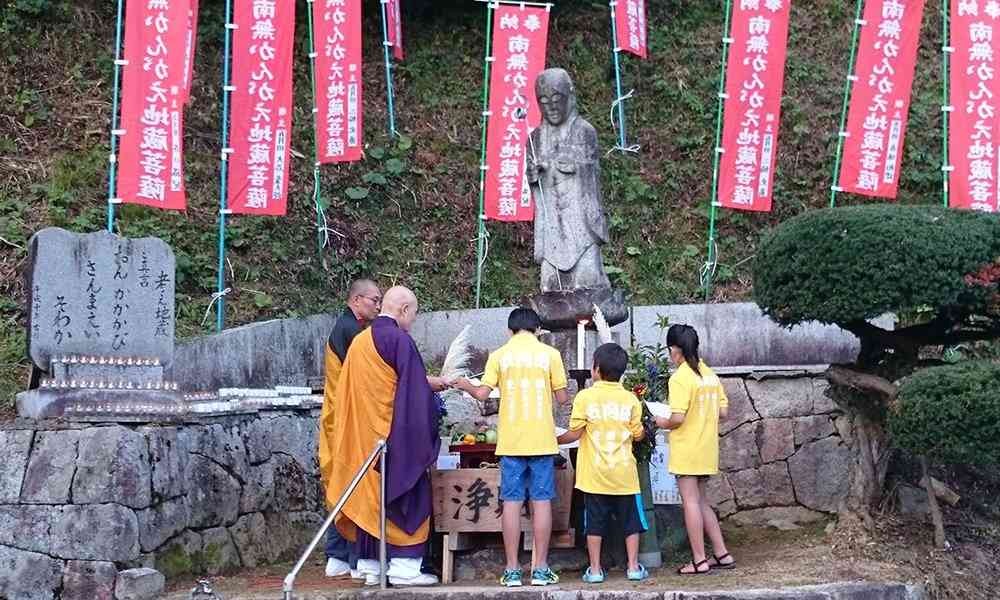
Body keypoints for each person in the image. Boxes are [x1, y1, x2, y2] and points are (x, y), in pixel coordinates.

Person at [325, 286, 450, 586]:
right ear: (405, 309)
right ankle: (406, 566)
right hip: (394, 440)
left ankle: (371, 565)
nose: (413, 321)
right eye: (414, 314)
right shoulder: (398, 340)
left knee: (369, 502)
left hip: (362, 442)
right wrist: (429, 425)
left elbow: (346, 395)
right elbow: (414, 393)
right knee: (410, 492)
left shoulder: (360, 341)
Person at [453, 307, 569, 587]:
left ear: (509, 330)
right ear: (537, 329)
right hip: (542, 440)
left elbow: (482, 393)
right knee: (542, 502)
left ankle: (512, 570)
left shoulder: (500, 355)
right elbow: (563, 398)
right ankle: (540, 569)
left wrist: (464, 385)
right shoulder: (550, 355)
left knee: (512, 503)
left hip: (511, 442)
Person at [556, 343, 648, 583]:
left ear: (595, 369)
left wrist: (551, 439)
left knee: (594, 523)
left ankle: (595, 570)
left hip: (594, 475)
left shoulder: (585, 397)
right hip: (624, 475)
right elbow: (638, 434)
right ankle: (633, 567)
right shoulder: (630, 400)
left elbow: (575, 433)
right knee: (631, 522)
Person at [654, 324, 735, 575]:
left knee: (689, 502)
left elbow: (677, 418)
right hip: (707, 447)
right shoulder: (709, 374)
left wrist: (657, 420)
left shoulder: (680, 377)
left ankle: (699, 560)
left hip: (688, 447)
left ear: (673, 349)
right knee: (701, 502)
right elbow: (723, 412)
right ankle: (722, 553)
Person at [318, 279, 381, 579]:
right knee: (355, 484)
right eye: (374, 300)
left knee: (343, 483)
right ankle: (354, 557)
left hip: (340, 417)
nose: (378, 307)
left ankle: (338, 555)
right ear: (356, 300)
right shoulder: (351, 332)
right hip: (346, 420)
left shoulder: (350, 328)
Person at [526, 68, 611, 292]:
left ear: (569, 97)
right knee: (550, 288)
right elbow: (537, 188)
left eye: (557, 99)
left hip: (580, 226)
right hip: (552, 228)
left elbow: (592, 173)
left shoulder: (584, 131)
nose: (551, 106)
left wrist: (577, 167)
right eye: (543, 101)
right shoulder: (534, 139)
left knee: (588, 285)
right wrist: (534, 178)